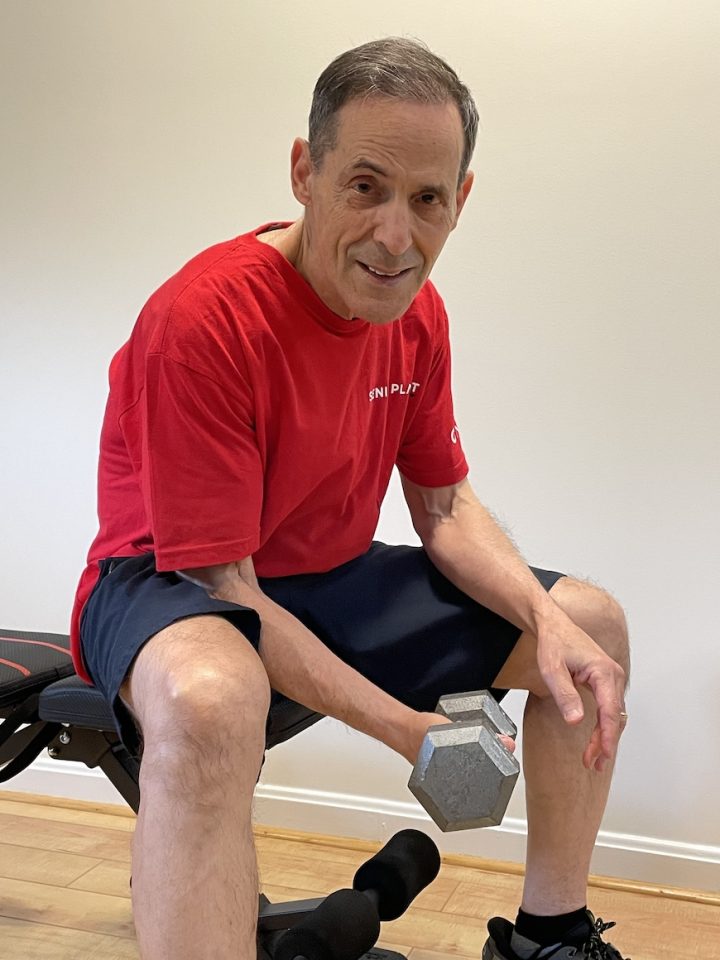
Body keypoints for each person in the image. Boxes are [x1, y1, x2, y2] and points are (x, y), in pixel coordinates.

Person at [70, 37, 630, 960]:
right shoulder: (203, 320)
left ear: (461, 199)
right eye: (365, 186)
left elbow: (444, 509)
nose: (394, 237)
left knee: (591, 627)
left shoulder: (414, 312)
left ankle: (549, 937)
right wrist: (413, 735)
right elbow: (229, 588)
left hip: (327, 573)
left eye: (426, 199)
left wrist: (545, 619)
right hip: (170, 580)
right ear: (305, 170)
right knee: (213, 699)